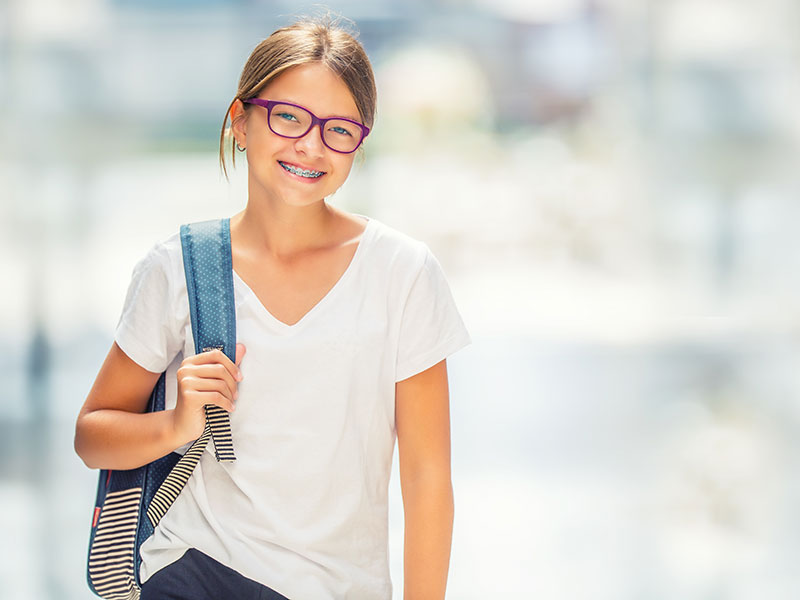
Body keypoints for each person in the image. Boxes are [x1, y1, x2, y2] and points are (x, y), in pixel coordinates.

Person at [74, 14, 471, 600]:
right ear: (240, 120)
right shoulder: (177, 268)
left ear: (358, 143)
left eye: (339, 129)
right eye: (288, 117)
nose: (310, 144)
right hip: (196, 569)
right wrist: (178, 423)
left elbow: (427, 476)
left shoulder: (402, 273)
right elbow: (92, 435)